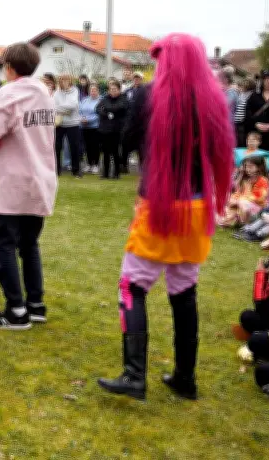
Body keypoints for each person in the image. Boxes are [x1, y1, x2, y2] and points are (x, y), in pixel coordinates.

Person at [97, 33, 235, 401]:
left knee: (132, 287)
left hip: (160, 205)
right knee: (184, 290)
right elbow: (220, 150)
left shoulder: (148, 95)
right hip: (197, 205)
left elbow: (127, 140)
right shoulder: (212, 99)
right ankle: (185, 378)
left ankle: (134, 374)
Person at [0, 42, 58, 329]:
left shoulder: (10, 93)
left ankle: (16, 311)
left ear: (8, 67)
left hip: (16, 180)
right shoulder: (44, 92)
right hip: (41, 178)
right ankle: (35, 304)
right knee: (29, 244)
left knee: (5, 244)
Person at [220, 155, 269, 228]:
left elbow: (260, 198)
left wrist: (240, 200)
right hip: (242, 204)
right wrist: (233, 199)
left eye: (250, 167)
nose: (247, 169)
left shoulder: (263, 181)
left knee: (243, 203)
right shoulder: (245, 179)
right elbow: (238, 193)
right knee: (229, 201)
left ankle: (245, 225)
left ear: (259, 167)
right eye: (246, 166)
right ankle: (232, 221)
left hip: (257, 208)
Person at [96, 79, 129, 180]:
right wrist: (107, 113)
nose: (112, 91)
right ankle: (105, 173)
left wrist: (107, 109)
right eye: (111, 89)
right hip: (105, 129)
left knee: (115, 151)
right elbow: (98, 109)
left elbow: (119, 107)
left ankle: (116, 173)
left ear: (119, 90)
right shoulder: (105, 98)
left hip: (116, 129)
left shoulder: (123, 98)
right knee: (105, 152)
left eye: (114, 89)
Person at [53, 74, 82, 178]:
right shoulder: (57, 92)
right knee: (57, 147)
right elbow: (54, 106)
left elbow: (73, 105)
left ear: (70, 81)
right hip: (59, 123)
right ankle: (56, 170)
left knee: (74, 147)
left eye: (66, 80)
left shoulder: (75, 91)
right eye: (62, 80)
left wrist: (61, 108)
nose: (64, 82)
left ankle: (76, 171)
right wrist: (66, 110)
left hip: (73, 123)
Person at [79, 83, 101, 174]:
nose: (93, 92)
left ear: (98, 91)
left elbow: (99, 113)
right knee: (87, 146)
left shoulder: (100, 100)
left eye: (95, 90)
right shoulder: (84, 100)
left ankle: (95, 164)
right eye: (91, 90)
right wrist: (81, 119)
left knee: (95, 146)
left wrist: (88, 120)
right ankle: (88, 164)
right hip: (84, 127)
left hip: (95, 127)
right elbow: (79, 111)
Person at [234, 79, 255, 147]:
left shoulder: (252, 95)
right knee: (238, 139)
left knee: (242, 140)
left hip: (243, 122)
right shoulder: (241, 94)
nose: (242, 87)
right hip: (237, 121)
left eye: (243, 85)